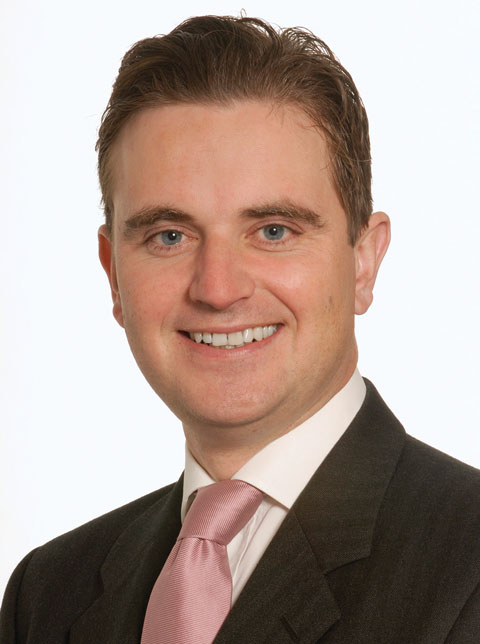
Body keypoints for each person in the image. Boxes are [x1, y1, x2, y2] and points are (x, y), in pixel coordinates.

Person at [1, 14, 479, 644]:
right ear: (113, 273)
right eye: (169, 236)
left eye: (273, 231)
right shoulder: (48, 595)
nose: (218, 289)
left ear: (363, 261)